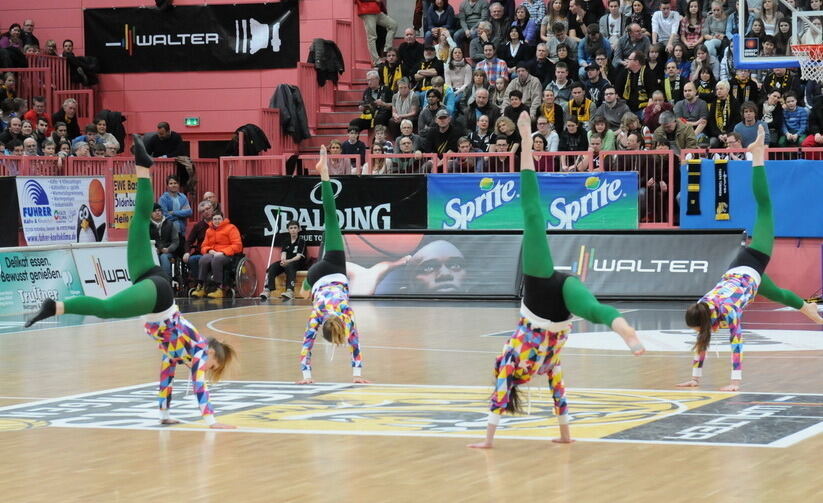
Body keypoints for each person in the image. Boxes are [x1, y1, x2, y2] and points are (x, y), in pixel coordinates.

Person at [25, 135, 237, 429]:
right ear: (212, 354)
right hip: (160, 299)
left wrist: (164, 415)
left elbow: (166, 374)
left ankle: (143, 167)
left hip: (149, 278)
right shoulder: (200, 351)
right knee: (107, 308)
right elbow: (199, 388)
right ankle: (56, 307)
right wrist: (212, 421)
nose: (209, 370)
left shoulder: (180, 353)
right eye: (215, 366)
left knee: (138, 220)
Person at [468, 112, 644, 449]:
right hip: (539, 289)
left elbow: (559, 397)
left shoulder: (547, 364)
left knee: (594, 310)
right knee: (532, 215)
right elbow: (498, 400)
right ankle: (524, 143)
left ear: (527, 378)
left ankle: (625, 331)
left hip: (561, 312)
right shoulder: (510, 361)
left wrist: (565, 436)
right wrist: (486, 441)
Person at [678, 126, 823, 392]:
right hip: (743, 275)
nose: (696, 333)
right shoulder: (704, 308)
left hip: (751, 261)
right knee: (778, 293)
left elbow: (737, 343)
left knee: (765, 208)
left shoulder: (726, 311)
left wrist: (735, 383)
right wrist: (695, 378)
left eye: (695, 329)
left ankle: (757, 155)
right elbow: (703, 340)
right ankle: (808, 309)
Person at [297, 146, 368, 385]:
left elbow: (354, 342)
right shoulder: (318, 314)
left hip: (334, 269)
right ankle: (305, 286)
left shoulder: (346, 314)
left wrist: (358, 374)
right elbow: (306, 344)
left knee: (331, 217)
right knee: (305, 292)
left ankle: (324, 173)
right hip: (317, 276)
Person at [191, 210, 243, 299]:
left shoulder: (231, 228)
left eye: (219, 219)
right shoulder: (209, 230)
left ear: (223, 219)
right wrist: (209, 251)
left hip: (227, 255)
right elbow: (203, 246)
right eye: (215, 219)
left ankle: (219, 288)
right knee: (203, 259)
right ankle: (201, 286)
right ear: (212, 220)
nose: (217, 221)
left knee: (217, 260)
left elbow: (237, 245)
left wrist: (222, 252)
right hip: (213, 253)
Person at [261, 220, 307, 301]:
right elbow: (283, 254)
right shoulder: (286, 241)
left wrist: (287, 261)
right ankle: (268, 290)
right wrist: (283, 261)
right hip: (287, 262)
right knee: (273, 266)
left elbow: (298, 257)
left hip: (298, 263)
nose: (293, 230)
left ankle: (290, 291)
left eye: (295, 228)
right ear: (288, 230)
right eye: (291, 228)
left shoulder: (301, 241)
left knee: (290, 265)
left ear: (299, 229)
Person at [183, 200, 214, 289]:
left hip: (216, 251)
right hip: (201, 252)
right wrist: (187, 252)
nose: (206, 212)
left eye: (208, 209)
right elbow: (189, 241)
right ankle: (200, 284)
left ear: (213, 209)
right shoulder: (198, 226)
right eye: (203, 211)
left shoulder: (218, 222)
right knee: (192, 259)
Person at [355, 0, 398, 66]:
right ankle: (376, 61)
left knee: (393, 25)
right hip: (367, 11)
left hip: (376, 10)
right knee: (372, 37)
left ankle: (387, 49)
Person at [149, 202, 179, 278]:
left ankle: (166, 280)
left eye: (159, 210)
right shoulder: (147, 226)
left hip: (168, 251)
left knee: (164, 257)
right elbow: (145, 241)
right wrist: (153, 249)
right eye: (154, 211)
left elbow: (175, 241)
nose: (157, 212)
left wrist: (168, 249)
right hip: (153, 252)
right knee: (156, 257)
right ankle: (156, 280)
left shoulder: (170, 224)